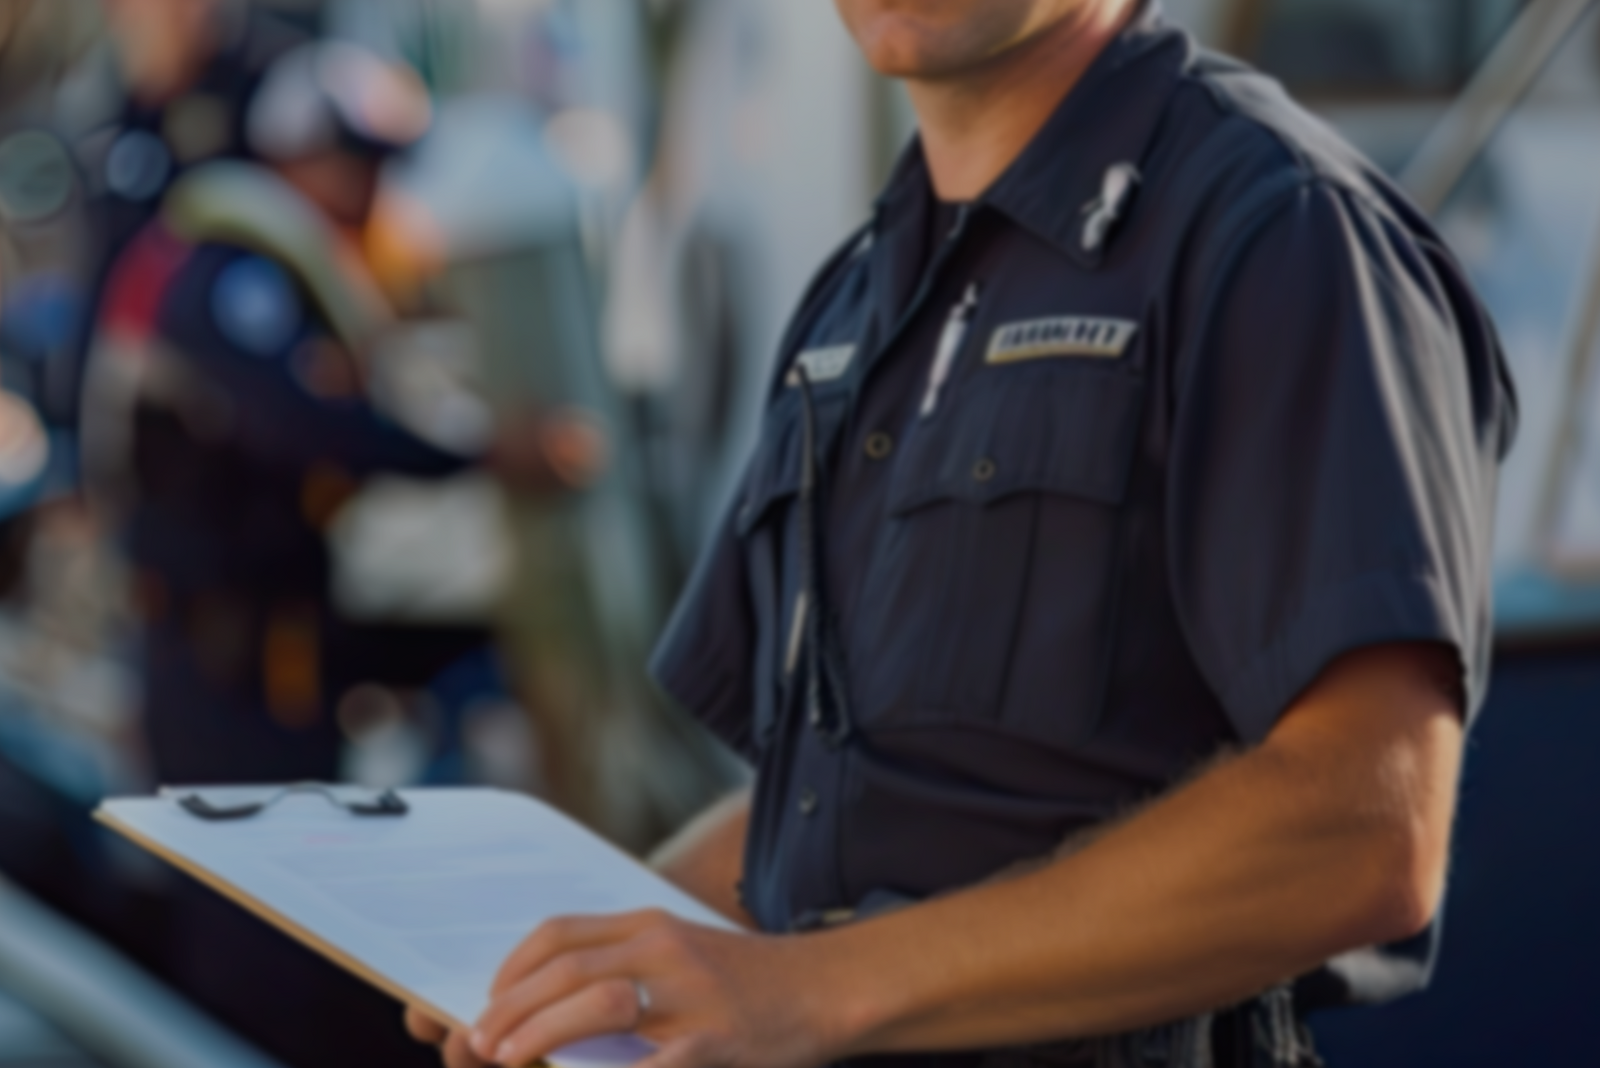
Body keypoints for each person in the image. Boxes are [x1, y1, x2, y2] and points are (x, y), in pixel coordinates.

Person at [408, 1, 1516, 1066]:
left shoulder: (1277, 228)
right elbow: (834, 815)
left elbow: (1362, 825)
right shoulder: (851, 301)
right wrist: (570, 963)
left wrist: (807, 991)